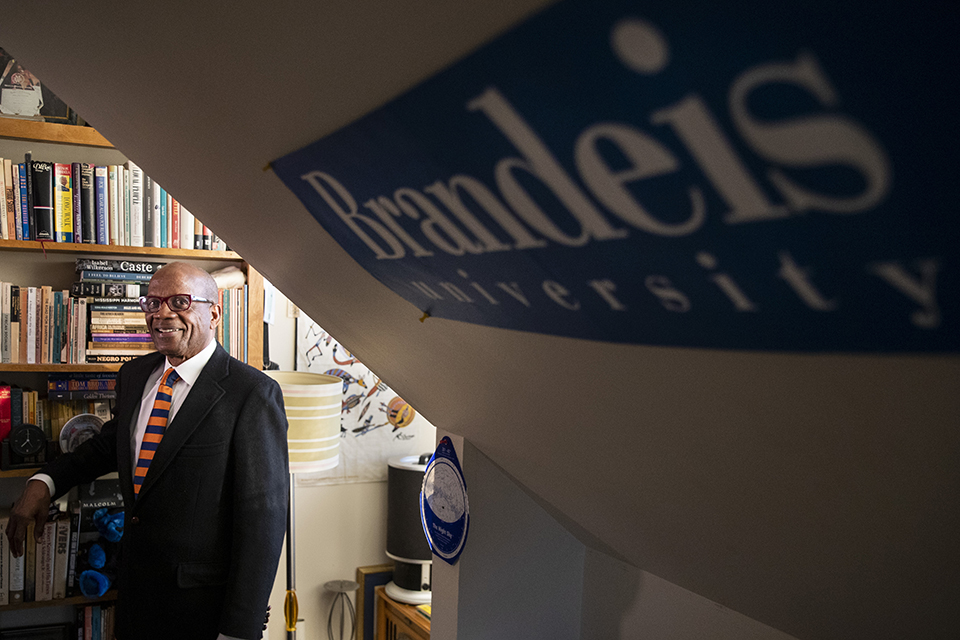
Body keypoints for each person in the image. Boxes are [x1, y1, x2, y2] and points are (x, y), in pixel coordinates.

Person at [5, 262, 288, 640]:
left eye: (180, 302)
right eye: (152, 303)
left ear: (214, 313)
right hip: (137, 596)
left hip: (202, 610)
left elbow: (262, 522)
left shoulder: (252, 393)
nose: (162, 314)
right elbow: (110, 445)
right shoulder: (136, 375)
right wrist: (45, 481)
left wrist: (240, 628)